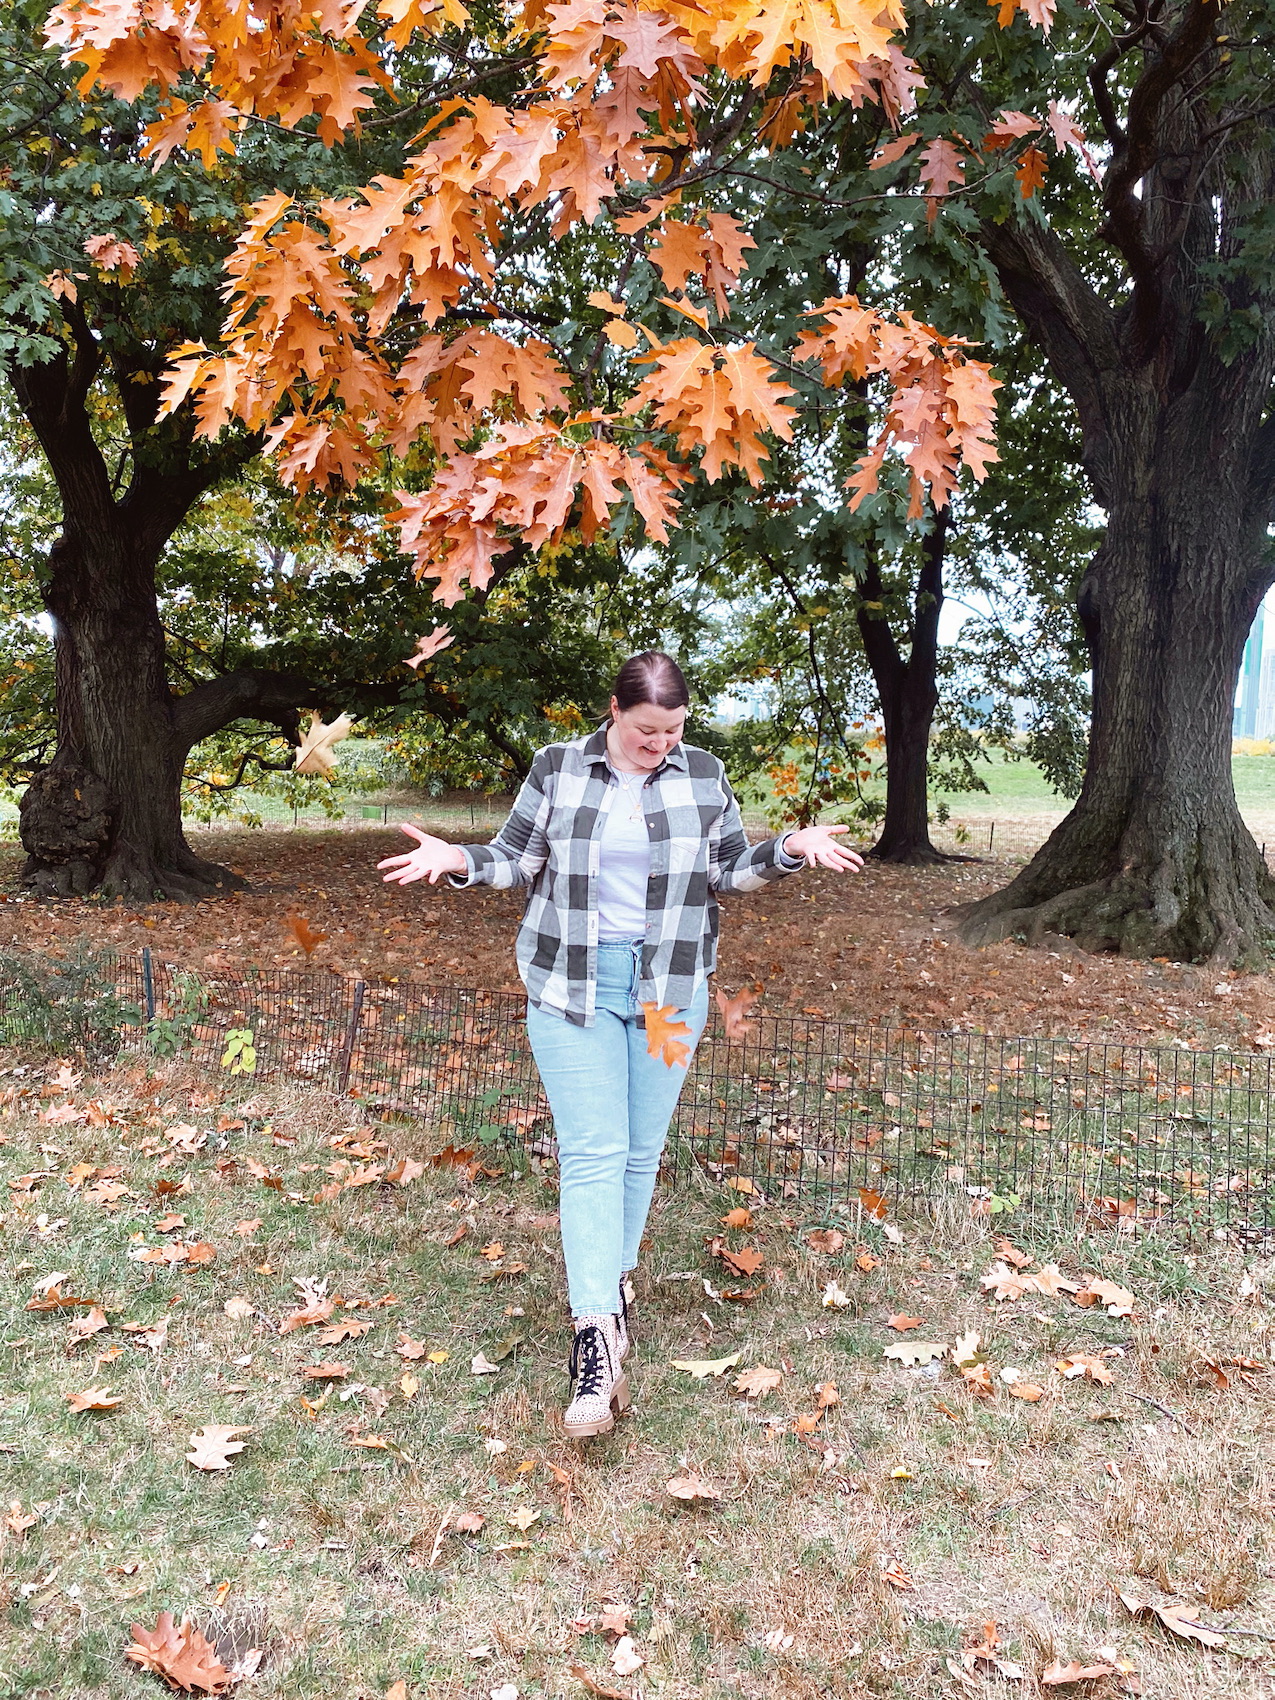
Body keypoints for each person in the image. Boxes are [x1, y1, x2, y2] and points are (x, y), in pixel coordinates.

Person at [378, 652, 863, 1438]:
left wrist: (788, 850)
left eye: (672, 731)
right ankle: (594, 1334)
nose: (660, 745)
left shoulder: (703, 772)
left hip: (671, 998)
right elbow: (518, 859)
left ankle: (614, 1278)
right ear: (612, 711)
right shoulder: (557, 767)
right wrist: (460, 859)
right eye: (646, 731)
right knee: (596, 1150)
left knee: (642, 1150)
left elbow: (725, 874)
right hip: (572, 988)